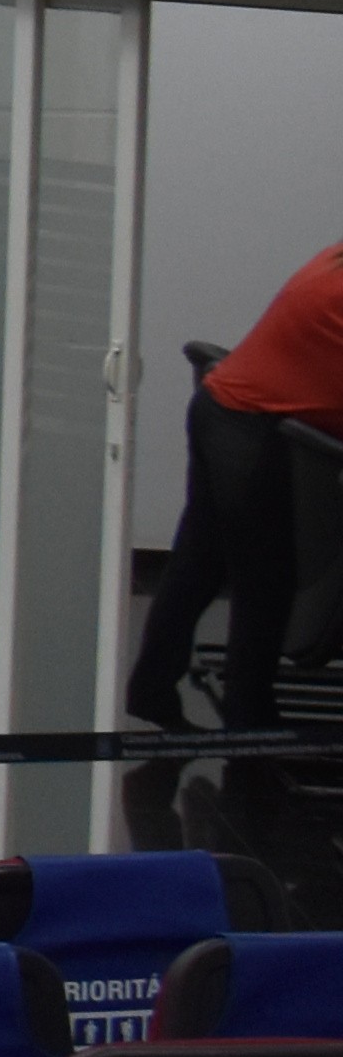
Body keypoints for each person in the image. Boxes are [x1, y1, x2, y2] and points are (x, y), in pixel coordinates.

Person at [132, 238, 343, 727]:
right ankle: (250, 725)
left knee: (199, 563)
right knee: (264, 583)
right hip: (253, 434)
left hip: (223, 408)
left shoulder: (334, 262)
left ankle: (151, 688)